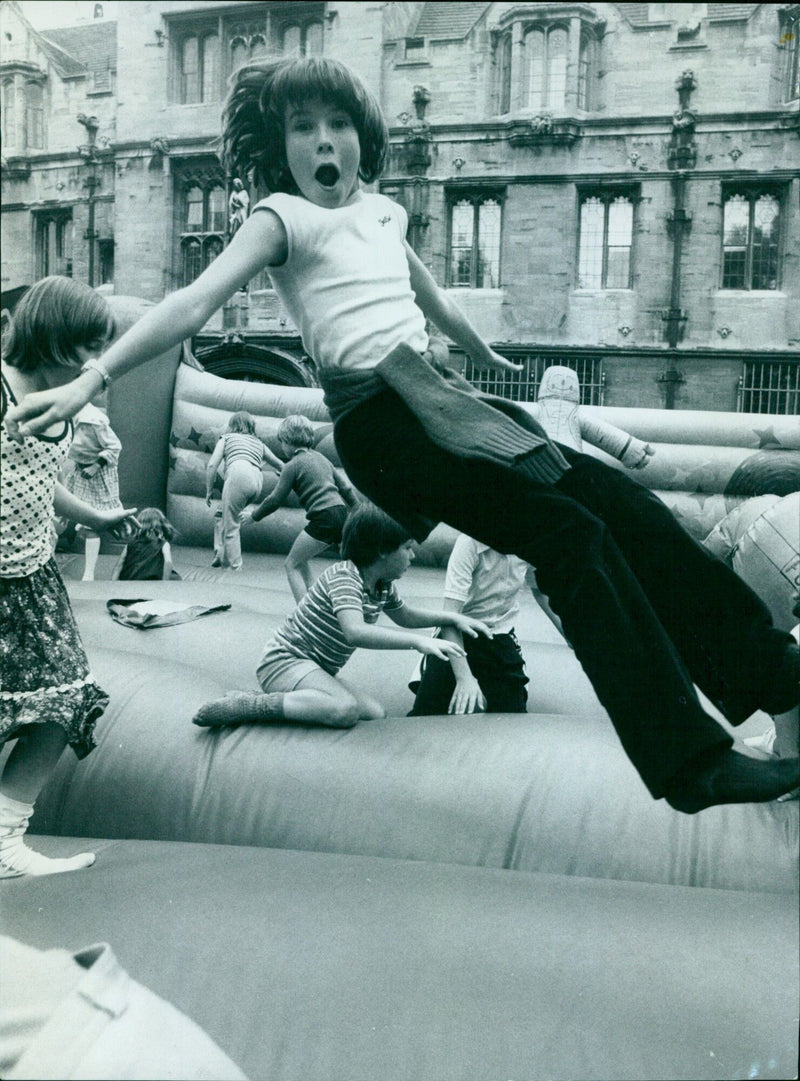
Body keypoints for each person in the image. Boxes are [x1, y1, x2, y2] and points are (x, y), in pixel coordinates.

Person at [6, 58, 797, 814]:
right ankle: (687, 759)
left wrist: (478, 347)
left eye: (338, 123)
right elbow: (192, 303)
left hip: (447, 399)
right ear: (279, 149)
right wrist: (93, 377)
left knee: (620, 501)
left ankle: (768, 668)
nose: (323, 141)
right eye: (303, 127)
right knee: (572, 535)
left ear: (364, 133)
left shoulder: (383, 211)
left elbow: (428, 290)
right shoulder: (282, 218)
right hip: (383, 425)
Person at [0, 277, 137, 878]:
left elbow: (43, 478)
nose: (91, 366)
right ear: (49, 339)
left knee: (61, 703)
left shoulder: (65, 404)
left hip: (32, 579)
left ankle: (4, 842)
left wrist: (98, 515)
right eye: (84, 350)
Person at [193, 502, 490, 729]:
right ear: (382, 550)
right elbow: (355, 631)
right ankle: (252, 705)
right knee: (344, 709)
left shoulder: (383, 585)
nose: (413, 556)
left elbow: (406, 616)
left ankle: (291, 700)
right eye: (407, 548)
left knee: (375, 715)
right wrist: (417, 643)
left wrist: (450, 618)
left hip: (316, 667)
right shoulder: (345, 577)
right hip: (284, 662)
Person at [409, 533, 531, 717]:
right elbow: (449, 617)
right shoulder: (469, 543)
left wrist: (570, 635)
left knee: (512, 714)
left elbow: (542, 592)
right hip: (458, 631)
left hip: (499, 634)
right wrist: (464, 678)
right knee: (426, 713)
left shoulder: (531, 541)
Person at [245, 413, 358, 601]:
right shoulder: (320, 458)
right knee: (302, 559)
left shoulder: (292, 465)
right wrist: (358, 511)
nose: (282, 447)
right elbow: (344, 488)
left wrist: (254, 515)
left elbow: (275, 500)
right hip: (341, 513)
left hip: (324, 518)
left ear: (288, 441)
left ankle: (303, 614)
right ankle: (314, 600)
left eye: (282, 443)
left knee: (291, 564)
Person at [205, 410, 283, 570]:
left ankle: (235, 568)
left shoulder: (227, 438)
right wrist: (282, 474)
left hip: (239, 476)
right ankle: (219, 552)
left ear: (232, 425)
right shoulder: (259, 443)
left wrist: (209, 489)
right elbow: (282, 465)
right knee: (221, 514)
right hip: (257, 481)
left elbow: (212, 464)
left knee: (231, 525)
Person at [58, 397, 124, 580]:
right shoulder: (62, 414)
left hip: (97, 471)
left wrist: (96, 465)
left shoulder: (93, 420)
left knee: (92, 524)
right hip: (78, 468)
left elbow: (115, 446)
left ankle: (89, 573)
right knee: (61, 514)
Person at [112, 506, 180, 581]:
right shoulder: (162, 543)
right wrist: (164, 583)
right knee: (176, 578)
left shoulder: (130, 544)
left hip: (130, 582)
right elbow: (168, 562)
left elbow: (118, 566)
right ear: (161, 526)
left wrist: (113, 584)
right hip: (150, 583)